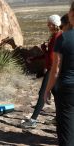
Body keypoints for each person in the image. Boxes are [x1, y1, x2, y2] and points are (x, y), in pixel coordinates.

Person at [21, 14, 62, 128]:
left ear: (54, 25)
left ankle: (32, 121)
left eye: (49, 23)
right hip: (55, 70)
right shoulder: (55, 36)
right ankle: (59, 119)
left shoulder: (57, 37)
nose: (47, 25)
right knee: (57, 95)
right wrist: (35, 58)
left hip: (53, 70)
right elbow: (48, 55)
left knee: (43, 94)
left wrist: (45, 51)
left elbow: (53, 57)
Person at [43, 2, 74, 145]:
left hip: (67, 89)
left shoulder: (63, 38)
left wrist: (47, 90)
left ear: (71, 14)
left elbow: (55, 70)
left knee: (66, 128)